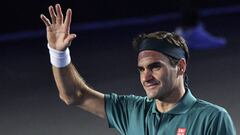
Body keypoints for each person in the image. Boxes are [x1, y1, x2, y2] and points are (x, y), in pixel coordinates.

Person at [40, 4, 236, 135]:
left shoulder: (212, 119)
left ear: (181, 66)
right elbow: (74, 95)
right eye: (141, 69)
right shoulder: (132, 111)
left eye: (155, 67)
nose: (146, 77)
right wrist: (58, 54)